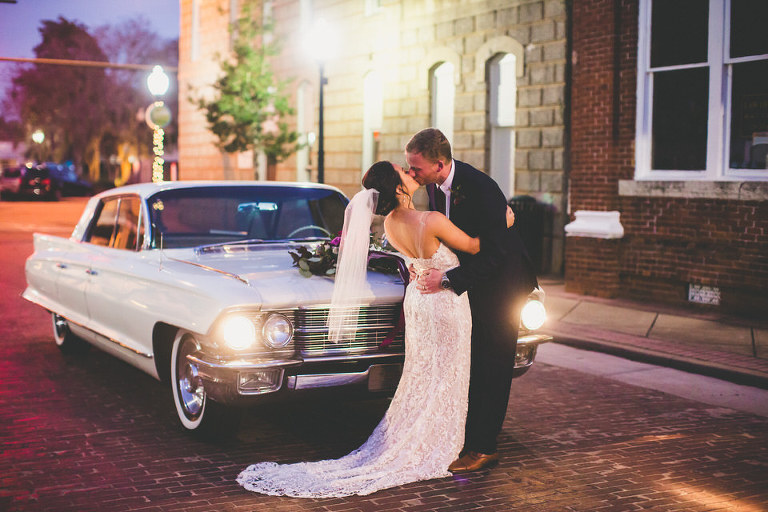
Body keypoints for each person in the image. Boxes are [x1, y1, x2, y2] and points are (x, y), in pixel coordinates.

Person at [237, 161, 514, 497]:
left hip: (418, 301)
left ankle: (418, 435)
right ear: (396, 187)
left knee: (424, 373)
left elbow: (415, 259)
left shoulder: (392, 224)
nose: (411, 174)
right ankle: (437, 443)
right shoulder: (432, 220)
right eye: (404, 172)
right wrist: (504, 221)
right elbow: (473, 246)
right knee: (447, 373)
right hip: (443, 302)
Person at [405, 128, 538, 473]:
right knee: (473, 360)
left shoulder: (480, 187)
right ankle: (468, 436)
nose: (412, 174)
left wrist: (448, 279)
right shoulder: (435, 189)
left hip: (502, 285)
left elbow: (495, 253)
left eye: (416, 168)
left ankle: (483, 448)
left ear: (439, 163)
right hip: (476, 283)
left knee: (493, 365)